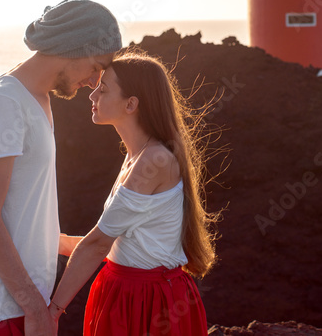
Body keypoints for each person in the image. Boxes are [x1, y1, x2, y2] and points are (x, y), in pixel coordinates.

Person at [0, 0, 122, 336]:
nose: (94, 81)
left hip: (18, 304)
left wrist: (50, 240)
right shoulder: (5, 102)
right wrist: (35, 310)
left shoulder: (36, 95)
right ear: (74, 47)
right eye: (96, 65)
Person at [47, 48, 217, 335]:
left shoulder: (154, 160)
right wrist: (46, 242)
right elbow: (115, 247)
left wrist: (51, 313)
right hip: (128, 294)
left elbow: (97, 245)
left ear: (131, 104)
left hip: (149, 302)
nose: (92, 96)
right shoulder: (137, 156)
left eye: (103, 89)